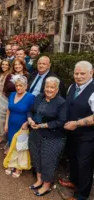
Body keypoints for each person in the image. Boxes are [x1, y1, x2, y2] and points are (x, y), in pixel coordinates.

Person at [59, 61, 94, 200]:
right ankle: (74, 182)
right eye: (76, 73)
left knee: (84, 165)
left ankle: (81, 196)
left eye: (82, 73)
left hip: (88, 136)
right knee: (73, 158)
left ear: (91, 73)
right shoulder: (72, 86)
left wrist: (77, 123)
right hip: (72, 133)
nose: (78, 76)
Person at [27, 77, 66, 196]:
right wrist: (30, 120)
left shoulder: (62, 103)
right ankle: (39, 180)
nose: (49, 89)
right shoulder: (39, 97)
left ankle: (46, 185)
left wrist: (42, 125)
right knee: (36, 157)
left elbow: (61, 122)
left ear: (57, 89)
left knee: (47, 161)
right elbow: (31, 111)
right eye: (47, 86)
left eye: (52, 87)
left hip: (52, 137)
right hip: (35, 133)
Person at [4, 75, 34, 177]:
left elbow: (32, 112)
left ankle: (19, 167)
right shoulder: (12, 94)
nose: (18, 88)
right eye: (17, 85)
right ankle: (11, 163)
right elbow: (8, 110)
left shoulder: (30, 97)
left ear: (26, 86)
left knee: (20, 146)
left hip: (22, 126)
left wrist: (27, 123)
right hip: (11, 123)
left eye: (21, 86)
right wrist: (6, 123)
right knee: (11, 143)